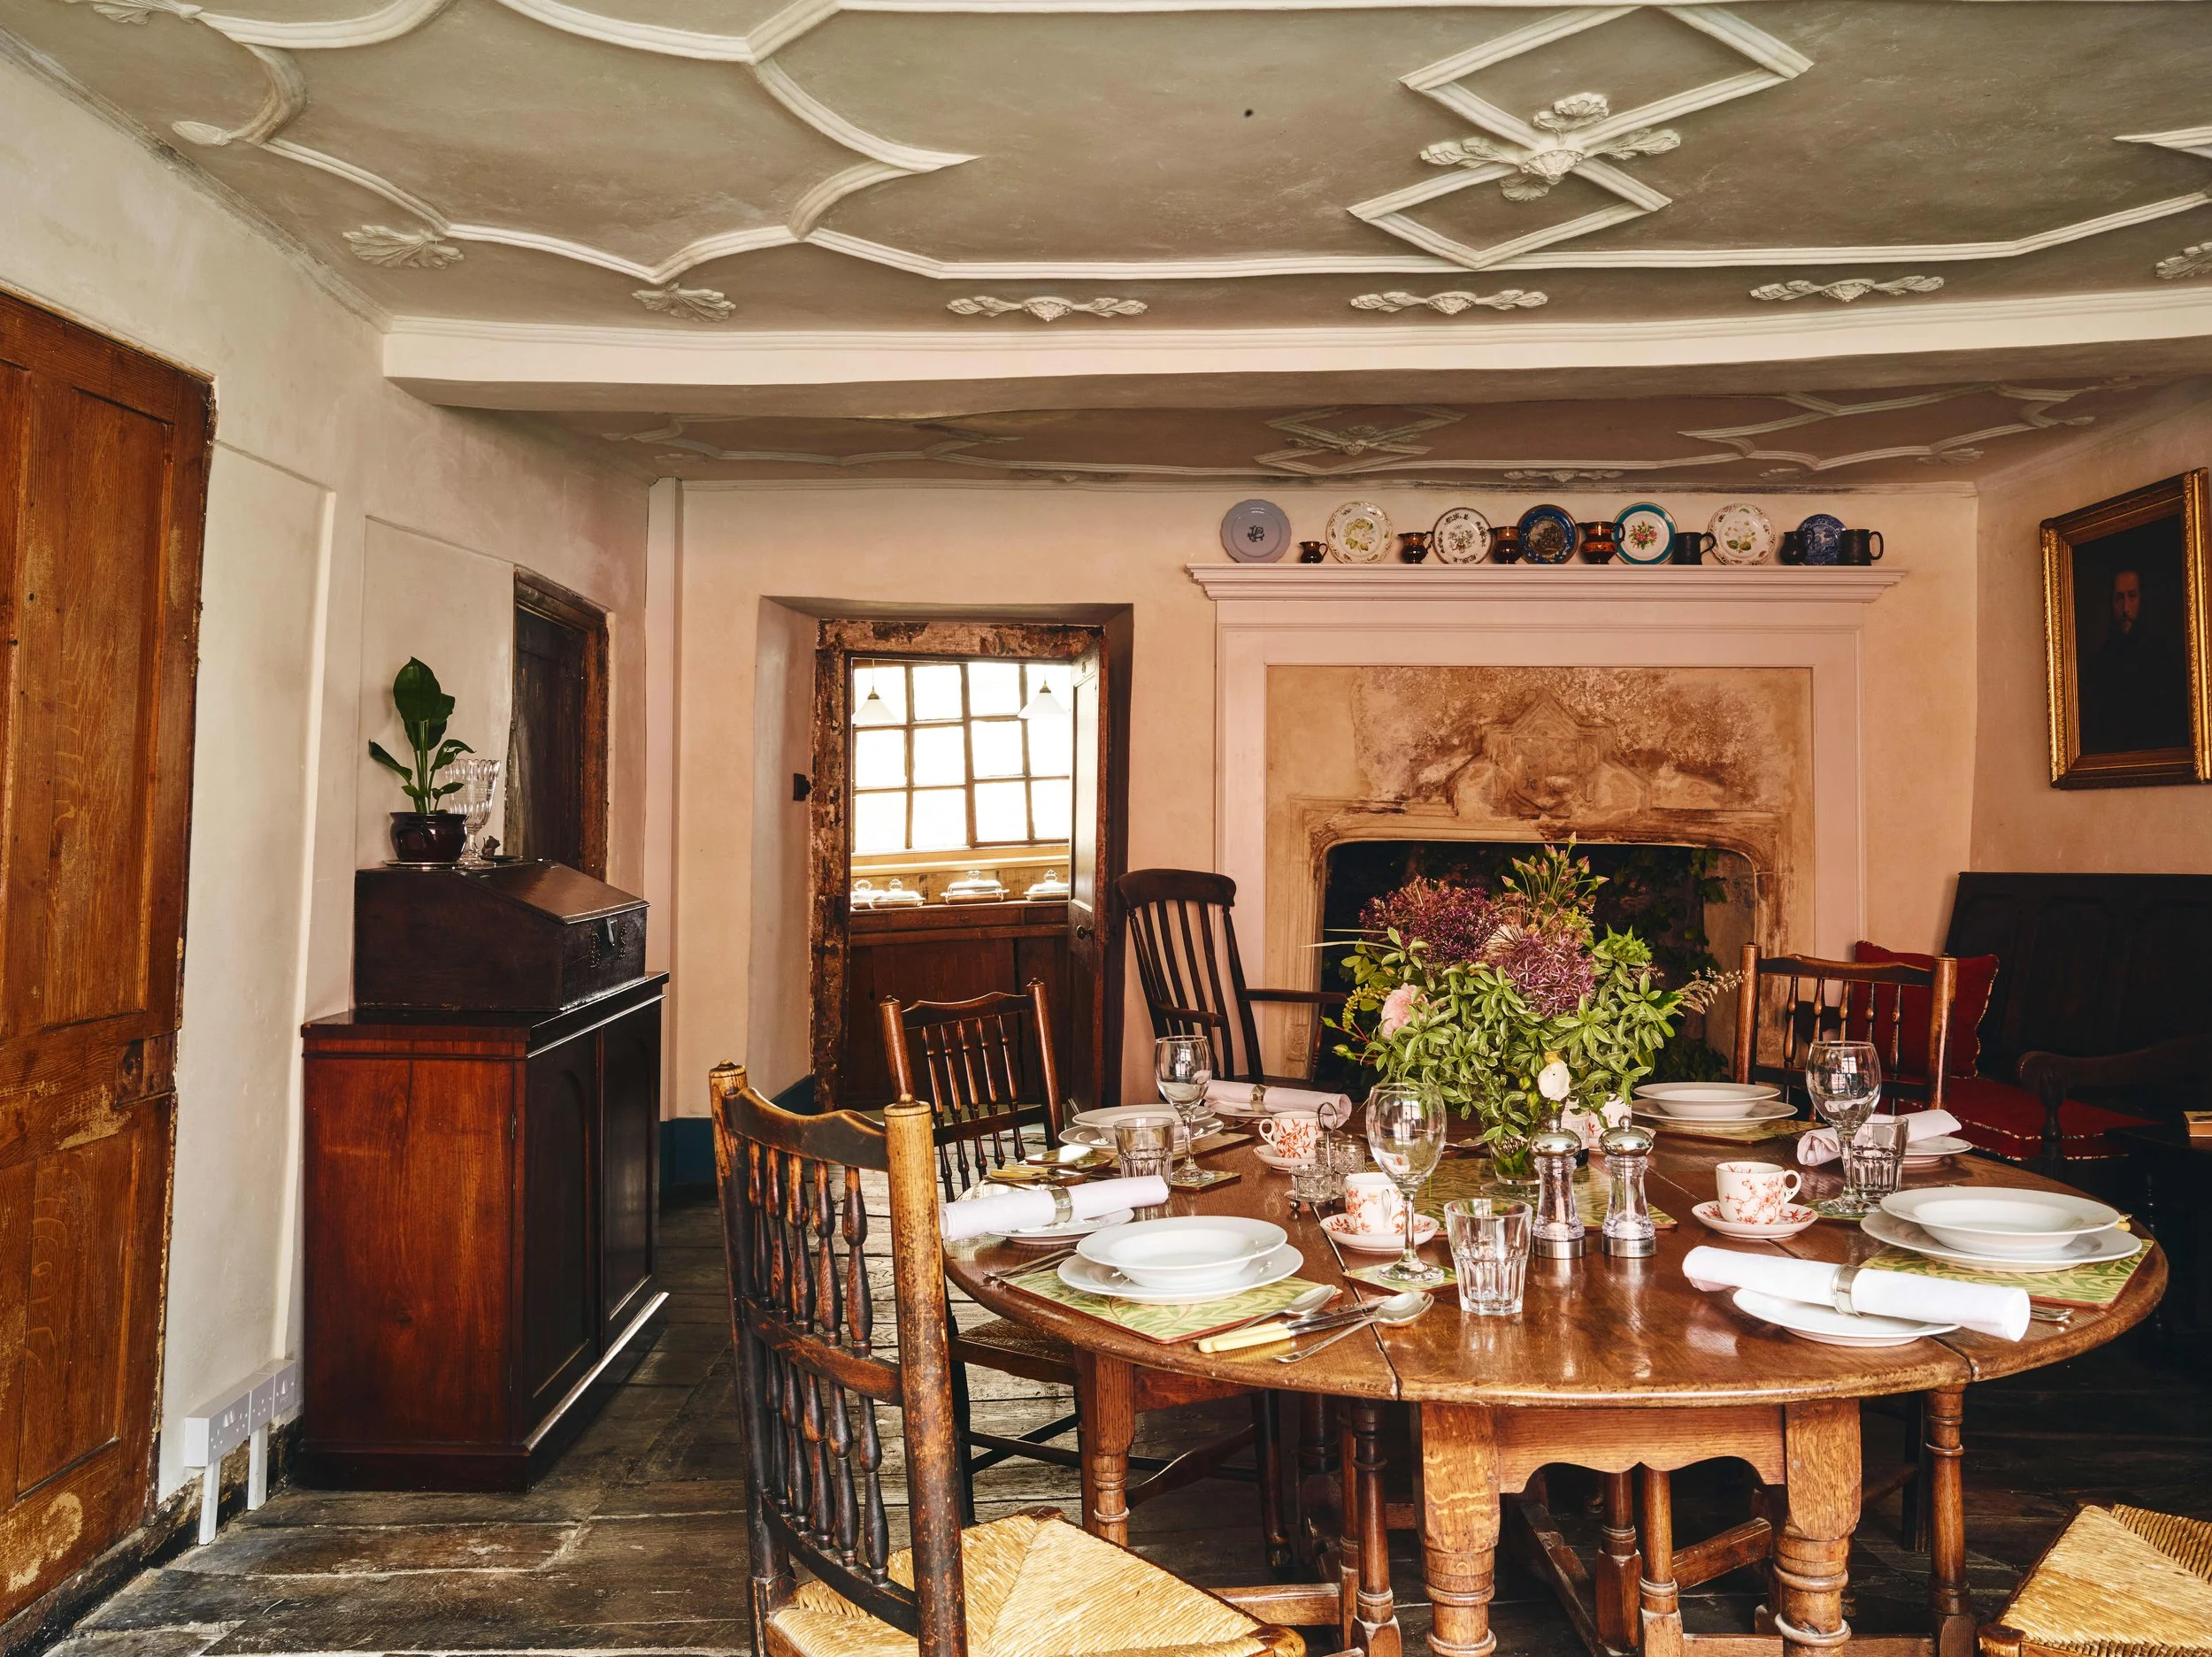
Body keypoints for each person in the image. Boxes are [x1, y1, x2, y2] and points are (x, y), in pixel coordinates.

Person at [2078, 563, 2191, 753]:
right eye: (2119, 598)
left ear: (2142, 599)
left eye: (2132, 596)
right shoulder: (2099, 663)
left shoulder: (2164, 658)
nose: (2125, 609)